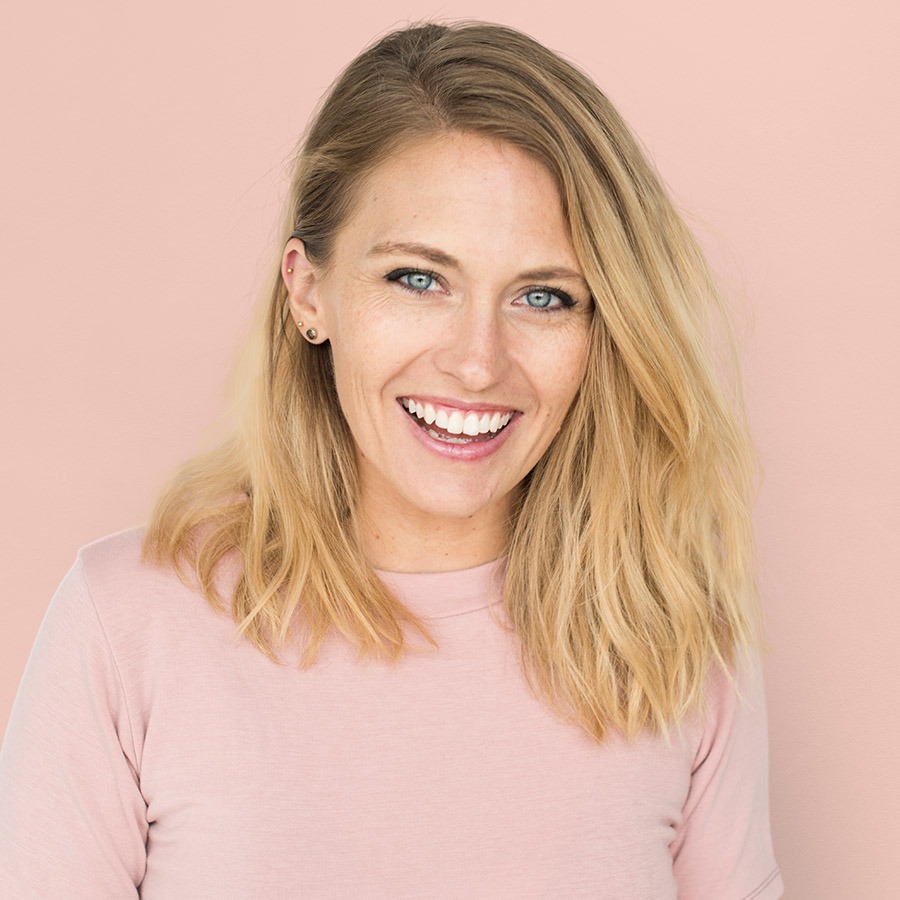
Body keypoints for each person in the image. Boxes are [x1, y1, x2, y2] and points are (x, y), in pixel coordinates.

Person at [0, 20, 783, 899]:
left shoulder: (676, 644)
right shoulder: (127, 626)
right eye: (418, 279)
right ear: (309, 291)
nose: (478, 362)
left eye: (543, 296)